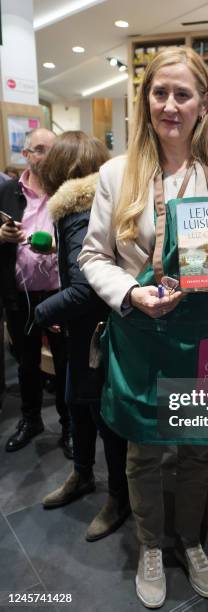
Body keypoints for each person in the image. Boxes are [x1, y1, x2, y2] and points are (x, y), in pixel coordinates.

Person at [79, 47, 208, 608]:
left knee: (198, 447)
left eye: (183, 94)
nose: (171, 105)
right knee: (145, 449)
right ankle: (152, 545)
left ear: (204, 103)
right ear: (146, 100)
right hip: (143, 330)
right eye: (160, 93)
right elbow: (92, 257)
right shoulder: (116, 173)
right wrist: (130, 292)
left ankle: (191, 541)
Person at [34, 131, 130, 541]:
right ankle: (86, 477)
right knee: (80, 405)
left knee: (100, 416)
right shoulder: (95, 203)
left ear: (65, 168)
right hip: (94, 331)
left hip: (93, 334)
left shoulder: (77, 209)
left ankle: (116, 497)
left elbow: (85, 288)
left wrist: (41, 311)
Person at [0, 128, 71, 456]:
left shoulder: (70, 193)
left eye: (53, 150)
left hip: (61, 295)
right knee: (27, 363)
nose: (47, 156)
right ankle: (31, 420)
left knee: (66, 362)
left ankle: (70, 426)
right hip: (21, 295)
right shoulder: (7, 192)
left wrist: (59, 247)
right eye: (40, 150)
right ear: (26, 154)